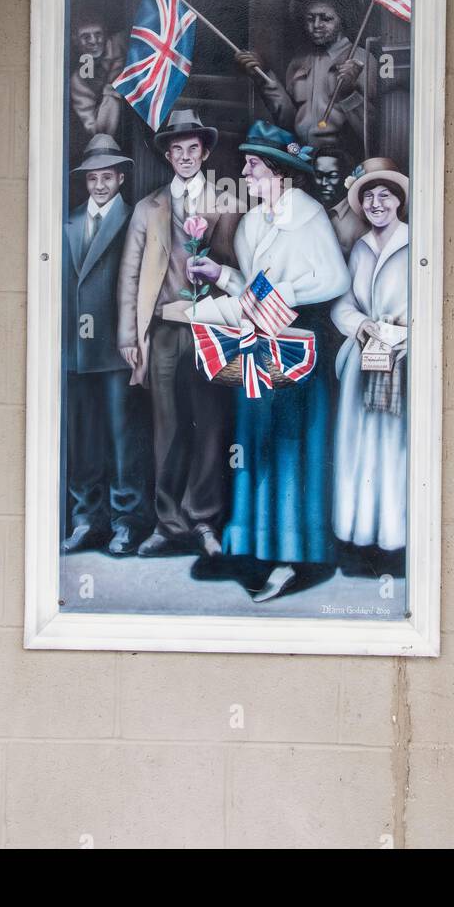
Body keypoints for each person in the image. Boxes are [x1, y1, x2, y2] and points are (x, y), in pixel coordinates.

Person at [187, 121, 350, 603]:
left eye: (253, 165)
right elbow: (254, 289)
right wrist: (221, 274)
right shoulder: (254, 222)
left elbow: (335, 279)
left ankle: (293, 555)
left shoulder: (309, 215)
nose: (245, 172)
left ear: (277, 171)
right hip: (260, 347)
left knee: (290, 449)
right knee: (254, 442)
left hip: (299, 350)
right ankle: (256, 547)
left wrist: (288, 295)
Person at [117, 109, 239, 557]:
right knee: (167, 428)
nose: (186, 157)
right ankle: (168, 523)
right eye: (177, 150)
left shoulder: (226, 203)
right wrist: (129, 336)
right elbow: (129, 274)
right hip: (165, 329)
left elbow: (237, 265)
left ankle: (204, 520)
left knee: (209, 424)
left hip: (211, 328)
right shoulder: (148, 208)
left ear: (204, 153)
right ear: (168, 156)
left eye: (193, 149)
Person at [62, 135, 150, 556]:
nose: (99, 185)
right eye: (92, 178)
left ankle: (126, 522)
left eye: (107, 177)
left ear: (120, 179)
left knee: (122, 439)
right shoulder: (69, 221)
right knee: (84, 438)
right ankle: (85, 520)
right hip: (75, 349)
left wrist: (134, 340)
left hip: (116, 349)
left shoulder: (134, 221)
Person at [331, 160, 410, 568]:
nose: (376, 203)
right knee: (358, 448)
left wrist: (405, 336)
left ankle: (393, 538)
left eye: (384, 195)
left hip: (401, 361)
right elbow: (342, 304)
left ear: (399, 200)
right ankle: (359, 535)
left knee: (392, 448)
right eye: (368, 196)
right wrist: (361, 325)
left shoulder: (416, 245)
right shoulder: (360, 249)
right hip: (363, 360)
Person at [234, 0, 372, 160]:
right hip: (302, 157)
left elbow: (373, 130)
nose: (316, 25)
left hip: (341, 160)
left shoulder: (362, 60)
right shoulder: (298, 63)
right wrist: (263, 75)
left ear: (342, 19)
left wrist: (348, 94)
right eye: (310, 19)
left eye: (326, 18)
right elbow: (287, 119)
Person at [69, 13, 127, 139]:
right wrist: (110, 94)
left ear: (105, 34)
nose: (93, 41)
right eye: (86, 36)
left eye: (98, 34)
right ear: (75, 40)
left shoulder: (121, 43)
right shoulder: (79, 80)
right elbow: (93, 127)